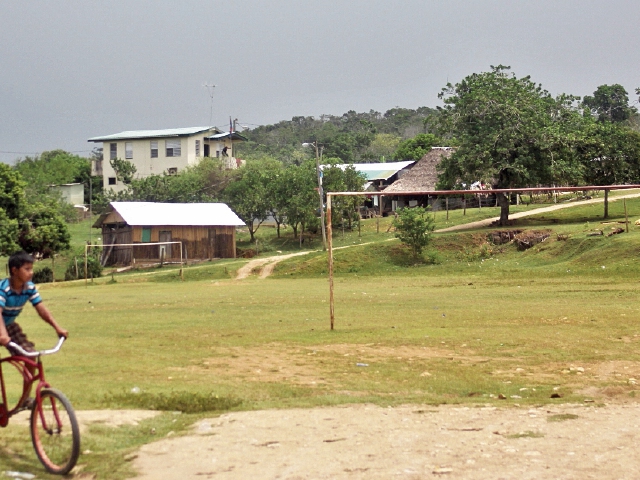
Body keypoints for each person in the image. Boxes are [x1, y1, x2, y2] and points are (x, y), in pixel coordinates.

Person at [0, 251, 68, 379]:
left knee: (30, 355)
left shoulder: (29, 288)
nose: (31, 272)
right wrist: (3, 335)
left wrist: (57, 327)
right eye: (27, 269)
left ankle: (26, 397)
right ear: (14, 270)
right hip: (1, 326)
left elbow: (41, 309)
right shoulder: (3, 289)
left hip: (8, 325)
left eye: (31, 269)